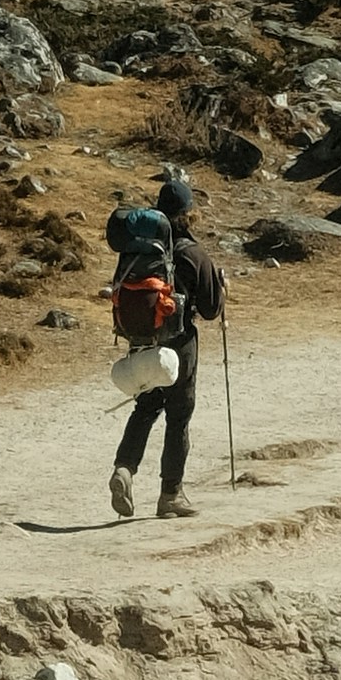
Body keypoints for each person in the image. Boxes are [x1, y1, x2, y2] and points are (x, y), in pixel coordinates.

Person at [107, 163, 226, 522]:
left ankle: (124, 470)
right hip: (179, 346)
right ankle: (170, 495)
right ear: (189, 214)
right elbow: (209, 310)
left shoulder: (138, 251)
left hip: (141, 342)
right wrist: (221, 287)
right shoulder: (192, 254)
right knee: (178, 417)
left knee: (145, 408)